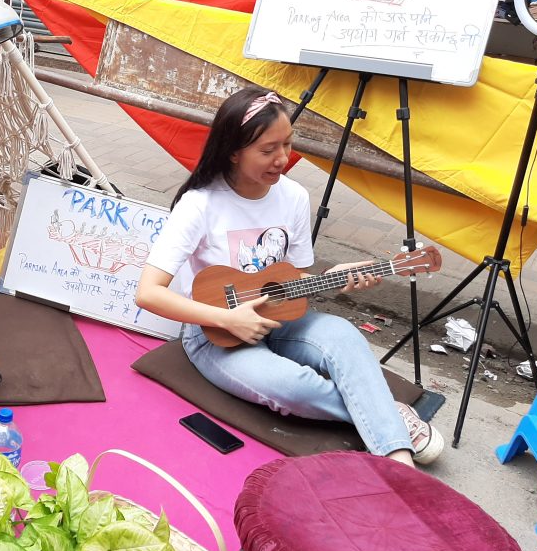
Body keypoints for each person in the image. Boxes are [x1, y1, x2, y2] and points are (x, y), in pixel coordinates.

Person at [135, 89, 444, 467]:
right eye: (268, 150)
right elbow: (148, 293)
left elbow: (292, 275)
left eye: (288, 144)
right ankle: (387, 415)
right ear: (234, 150)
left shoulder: (294, 196)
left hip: (280, 317)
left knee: (344, 336)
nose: (282, 159)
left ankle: (398, 459)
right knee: (292, 388)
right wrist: (228, 318)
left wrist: (333, 276)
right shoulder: (199, 204)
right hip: (215, 333)